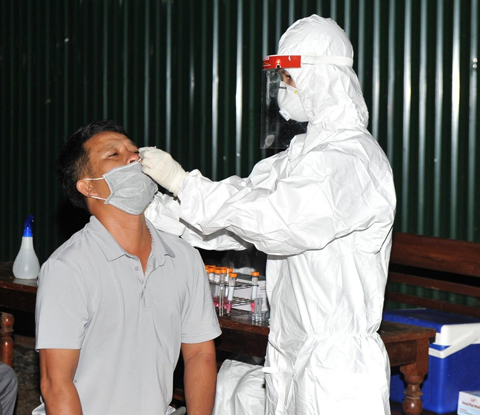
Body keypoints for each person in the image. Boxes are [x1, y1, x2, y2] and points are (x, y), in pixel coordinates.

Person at [142, 14, 396, 415]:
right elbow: (236, 219)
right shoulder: (300, 157)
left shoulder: (351, 160)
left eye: (289, 77)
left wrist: (183, 182)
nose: (282, 88)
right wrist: (153, 210)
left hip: (336, 366)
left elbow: (273, 219)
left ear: (320, 78)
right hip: (290, 349)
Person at [33, 120, 221, 415]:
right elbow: (56, 383)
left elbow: (200, 354)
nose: (134, 158)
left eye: (134, 151)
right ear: (88, 186)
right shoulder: (69, 267)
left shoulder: (183, 257)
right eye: (114, 154)